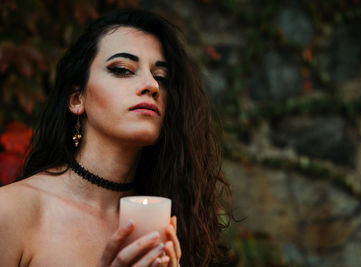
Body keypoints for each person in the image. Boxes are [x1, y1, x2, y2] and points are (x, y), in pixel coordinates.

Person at [0, 8, 231, 267]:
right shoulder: (12, 211)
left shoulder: (169, 219)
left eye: (161, 77)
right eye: (122, 69)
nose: (152, 85)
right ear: (78, 99)